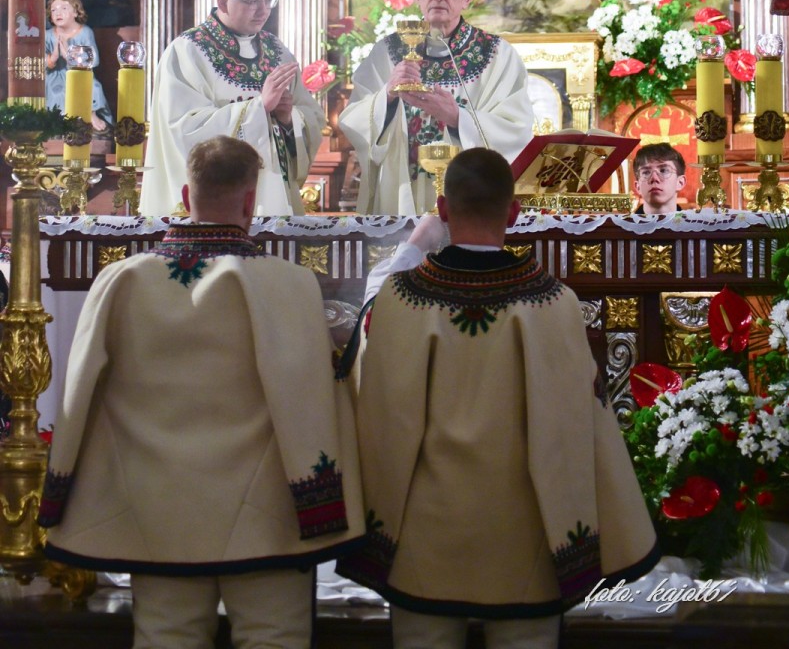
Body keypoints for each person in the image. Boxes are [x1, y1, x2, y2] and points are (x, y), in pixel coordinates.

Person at [39, 136, 364, 649]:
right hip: (266, 516)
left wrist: (59, 498)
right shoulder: (289, 284)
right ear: (251, 201)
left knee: (165, 637)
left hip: (156, 508)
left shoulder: (120, 281)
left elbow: (76, 398)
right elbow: (312, 406)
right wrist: (323, 508)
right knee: (273, 638)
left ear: (186, 197)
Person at [338, 148, 658, 648]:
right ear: (513, 213)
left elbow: (380, 422)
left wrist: (369, 538)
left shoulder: (402, 299)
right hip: (525, 543)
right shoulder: (553, 302)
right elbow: (579, 426)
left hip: (424, 542)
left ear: (443, 210)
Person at [338, 0, 534, 215]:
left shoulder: (498, 55)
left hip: (470, 196)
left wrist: (458, 119)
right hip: (401, 195)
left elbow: (517, 129)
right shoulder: (387, 51)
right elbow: (353, 120)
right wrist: (387, 96)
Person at [140, 0, 325, 217]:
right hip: (212, 208)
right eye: (252, 1)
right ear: (223, 1)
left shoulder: (277, 51)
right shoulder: (187, 52)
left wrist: (287, 119)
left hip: (275, 204)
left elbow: (312, 117)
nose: (263, 11)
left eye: (268, 0)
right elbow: (183, 130)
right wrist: (259, 108)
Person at [45, 0, 110, 131]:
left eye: (64, 8)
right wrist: (53, 58)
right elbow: (39, 60)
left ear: (75, 12)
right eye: (54, 10)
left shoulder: (85, 32)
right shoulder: (48, 35)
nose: (58, 13)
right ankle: (61, 122)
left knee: (94, 87)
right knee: (58, 91)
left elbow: (94, 59)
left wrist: (69, 56)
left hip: (81, 74)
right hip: (56, 75)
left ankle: (90, 114)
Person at [632, 143, 687, 215]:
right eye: (646, 172)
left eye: (663, 171)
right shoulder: (622, 223)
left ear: (680, 182)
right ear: (638, 186)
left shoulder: (694, 222)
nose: (654, 178)